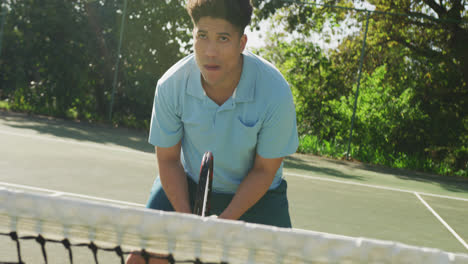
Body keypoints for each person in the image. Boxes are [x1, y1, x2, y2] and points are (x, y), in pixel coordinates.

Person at [126, 0, 298, 263]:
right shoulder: (171, 86)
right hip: (188, 184)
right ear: (193, 37)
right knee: (141, 260)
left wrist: (223, 224)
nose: (210, 52)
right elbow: (168, 160)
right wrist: (187, 220)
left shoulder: (275, 92)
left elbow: (264, 170)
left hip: (259, 197)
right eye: (202, 36)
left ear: (242, 43)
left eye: (223, 39)